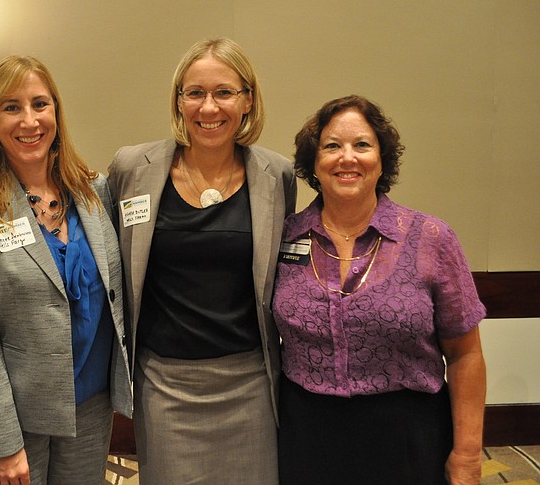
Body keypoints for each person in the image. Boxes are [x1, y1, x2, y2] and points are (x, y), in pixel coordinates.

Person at [107, 37, 297, 484]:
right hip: (165, 386)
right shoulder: (132, 168)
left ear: (247, 100)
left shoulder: (277, 176)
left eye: (224, 92)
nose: (208, 107)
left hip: (249, 383)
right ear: (178, 100)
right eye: (195, 93)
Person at [273, 94, 487, 485]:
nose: (347, 157)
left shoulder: (431, 239)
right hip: (307, 435)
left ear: (382, 159)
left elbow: (465, 354)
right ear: (314, 163)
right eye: (332, 146)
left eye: (362, 145)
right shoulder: (284, 237)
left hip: (407, 437)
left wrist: (469, 454)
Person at [0, 55, 132, 485]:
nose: (29, 120)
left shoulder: (93, 191)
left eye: (39, 104)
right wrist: (2, 441)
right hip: (16, 416)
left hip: (90, 404)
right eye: (11, 107)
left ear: (56, 113)